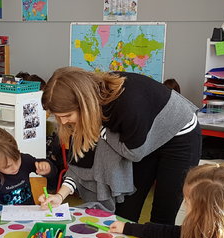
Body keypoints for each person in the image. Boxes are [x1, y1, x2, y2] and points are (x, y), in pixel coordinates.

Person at [39, 67, 201, 224]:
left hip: (179, 136)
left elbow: (134, 153)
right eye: (58, 117)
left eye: (67, 115)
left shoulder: (128, 103)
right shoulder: (84, 110)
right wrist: (59, 196)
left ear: (84, 104)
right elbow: (80, 162)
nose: (63, 122)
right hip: (139, 137)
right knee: (125, 213)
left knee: (163, 215)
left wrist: (101, 131)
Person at [0, 127, 58, 214]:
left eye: (17, 159)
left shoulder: (24, 160)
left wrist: (47, 168)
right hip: (0, 222)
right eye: (7, 166)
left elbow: (54, 173)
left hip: (28, 216)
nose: (15, 167)